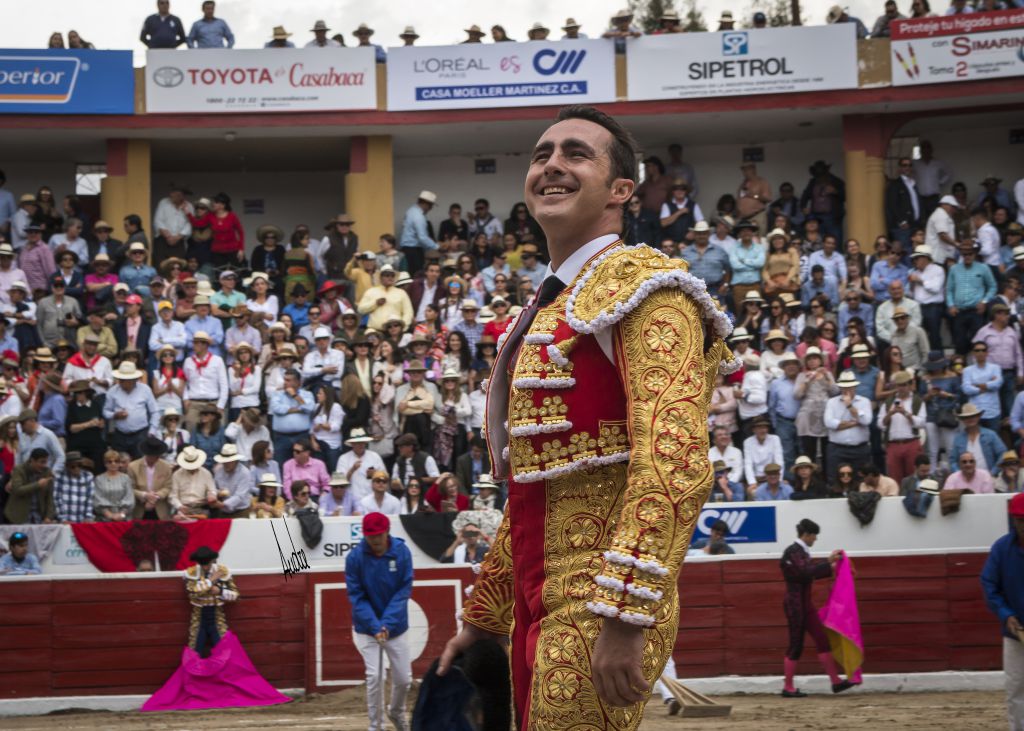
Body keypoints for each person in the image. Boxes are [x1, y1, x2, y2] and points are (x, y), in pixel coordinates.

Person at [440, 105, 731, 727]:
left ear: (621, 189)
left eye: (576, 154)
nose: (552, 165)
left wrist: (626, 615)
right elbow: (533, 486)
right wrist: (485, 616)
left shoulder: (650, 290)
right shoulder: (545, 309)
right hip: (531, 596)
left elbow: (675, 462)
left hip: (600, 596)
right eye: (542, 154)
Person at [142, 546, 289, 712]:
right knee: (194, 655)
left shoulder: (223, 571)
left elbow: (236, 596)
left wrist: (220, 590)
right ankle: (195, 693)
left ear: (212, 561)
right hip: (199, 618)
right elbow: (193, 593)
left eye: (207, 563)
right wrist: (212, 580)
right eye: (202, 564)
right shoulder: (191, 572)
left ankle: (227, 693)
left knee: (225, 655)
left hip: (217, 617)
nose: (204, 566)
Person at [345, 512, 414, 731]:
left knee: (404, 679)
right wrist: (376, 627)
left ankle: (396, 711)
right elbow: (357, 597)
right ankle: (376, 726)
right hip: (367, 628)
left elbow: (403, 591)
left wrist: (386, 624)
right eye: (370, 536)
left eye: (379, 535)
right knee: (374, 676)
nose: (375, 540)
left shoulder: (402, 552)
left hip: (396, 627)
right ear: (364, 535)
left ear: (387, 532)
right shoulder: (355, 558)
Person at [780, 518, 855, 697]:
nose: (815, 539)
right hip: (795, 606)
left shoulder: (801, 552)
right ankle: (787, 687)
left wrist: (832, 565)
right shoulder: (792, 552)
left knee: (822, 639)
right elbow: (805, 573)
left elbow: (809, 570)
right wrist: (829, 563)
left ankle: (835, 682)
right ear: (806, 535)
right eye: (814, 536)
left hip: (805, 604)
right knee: (796, 645)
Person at [981, 493, 1024, 730]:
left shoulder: (1002, 548)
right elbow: (990, 585)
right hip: (1015, 632)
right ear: (1013, 520)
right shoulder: (1001, 549)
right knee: (1016, 687)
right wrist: (1006, 614)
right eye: (1021, 520)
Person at [947, 244, 997, 355]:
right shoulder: (954, 269)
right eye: (964, 254)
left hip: (976, 311)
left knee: (977, 342)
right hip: (959, 311)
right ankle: (961, 367)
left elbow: (993, 286)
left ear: (974, 254)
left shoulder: (983, 268)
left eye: (970, 254)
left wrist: (984, 301)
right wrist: (951, 305)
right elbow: (949, 290)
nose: (967, 256)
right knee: (959, 343)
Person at [823, 371, 873, 481]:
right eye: (844, 388)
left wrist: (850, 406)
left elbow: (866, 421)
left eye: (850, 387)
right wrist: (854, 423)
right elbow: (829, 423)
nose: (847, 390)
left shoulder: (864, 401)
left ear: (855, 387)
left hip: (860, 448)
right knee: (834, 480)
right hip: (837, 448)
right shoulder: (832, 402)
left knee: (861, 480)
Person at [399, 191, 438, 276]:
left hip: (407, 248)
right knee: (417, 275)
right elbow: (422, 237)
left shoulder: (411, 210)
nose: (431, 208)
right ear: (427, 204)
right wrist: (436, 247)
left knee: (408, 274)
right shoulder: (418, 216)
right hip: (413, 250)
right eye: (431, 206)